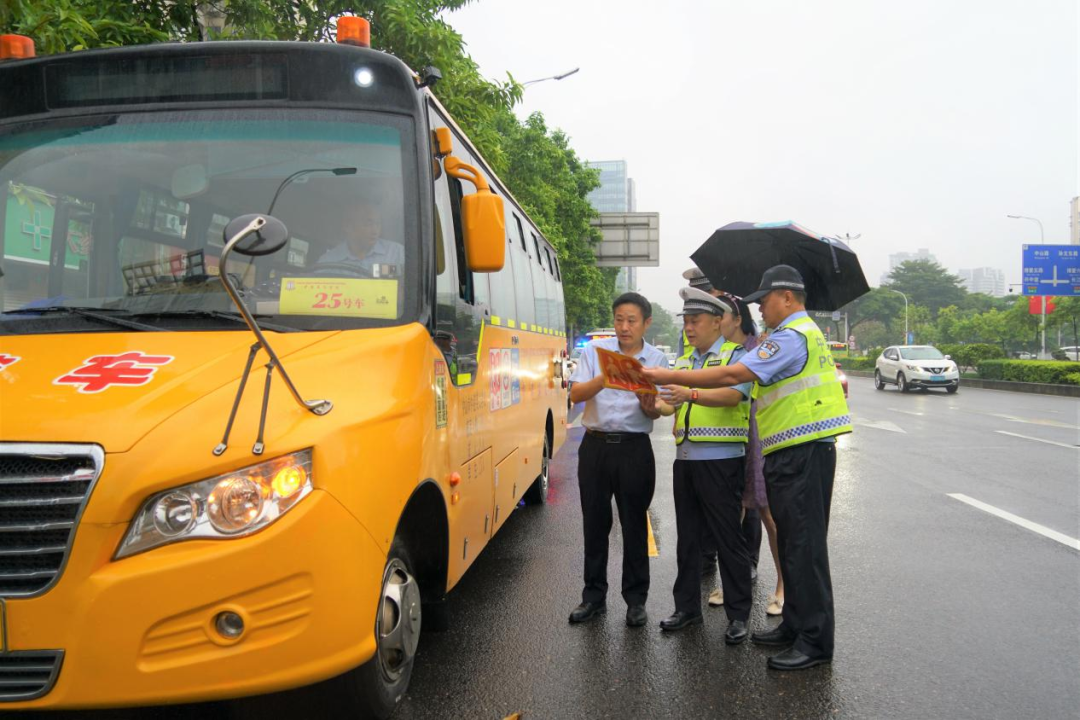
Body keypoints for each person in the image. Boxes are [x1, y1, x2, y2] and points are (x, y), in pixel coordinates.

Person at [643, 265, 851, 671]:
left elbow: (734, 375)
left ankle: (815, 642)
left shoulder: (792, 336)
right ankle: (795, 626)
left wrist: (664, 375)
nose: (760, 308)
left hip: (804, 450)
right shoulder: (790, 334)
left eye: (765, 300)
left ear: (787, 297)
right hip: (788, 451)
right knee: (793, 546)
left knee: (805, 549)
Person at [654, 288, 752, 644]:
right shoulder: (682, 363)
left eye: (695, 321)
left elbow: (733, 395)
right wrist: (650, 403)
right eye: (686, 322)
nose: (689, 328)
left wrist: (690, 393)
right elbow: (668, 406)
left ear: (717, 321)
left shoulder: (737, 356)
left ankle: (738, 615)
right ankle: (686, 609)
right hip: (686, 462)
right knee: (688, 540)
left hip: (722, 461)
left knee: (728, 539)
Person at [567, 292, 669, 628]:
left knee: (634, 525)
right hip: (595, 446)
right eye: (619, 320)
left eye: (631, 321)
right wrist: (607, 376)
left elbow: (657, 409)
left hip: (634, 448)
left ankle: (636, 601)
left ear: (646, 323)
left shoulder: (656, 360)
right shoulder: (595, 353)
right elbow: (575, 394)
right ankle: (593, 597)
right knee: (595, 524)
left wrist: (649, 406)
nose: (624, 327)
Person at [713, 291, 784, 617]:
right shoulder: (721, 352)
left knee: (768, 514)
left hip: (758, 437)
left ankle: (783, 586)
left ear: (738, 319)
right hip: (728, 439)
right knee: (731, 514)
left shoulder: (763, 348)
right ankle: (732, 583)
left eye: (722, 317)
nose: (717, 323)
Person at [317, 199, 405, 277]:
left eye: (378, 224)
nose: (375, 231)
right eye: (368, 224)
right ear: (347, 226)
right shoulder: (328, 262)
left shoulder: (397, 253)